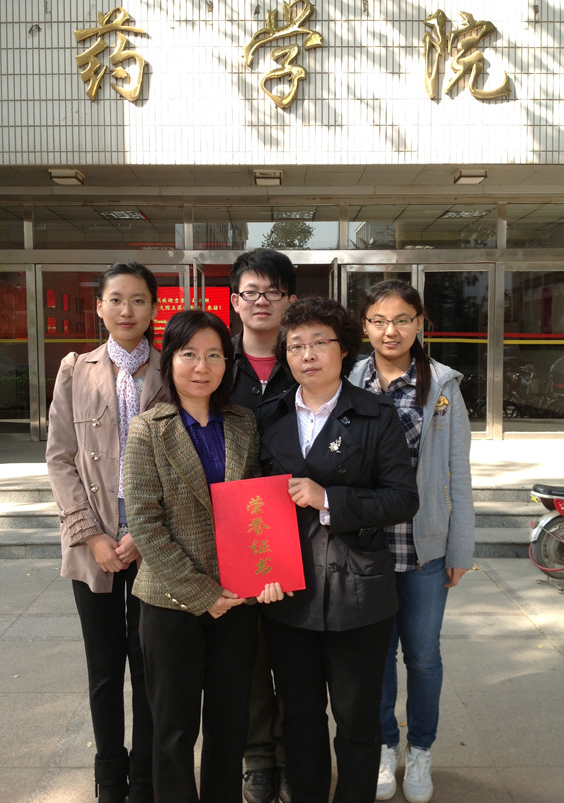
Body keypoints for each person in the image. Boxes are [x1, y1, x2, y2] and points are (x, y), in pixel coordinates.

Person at [256, 296, 420, 803]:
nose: (307, 355)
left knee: (357, 720)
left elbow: (403, 499)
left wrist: (328, 498)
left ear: (344, 349)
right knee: (300, 715)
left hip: (358, 590)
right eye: (295, 345)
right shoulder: (268, 417)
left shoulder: (376, 415)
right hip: (289, 591)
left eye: (319, 342)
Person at [122, 309, 263, 803]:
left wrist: (256, 575)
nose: (202, 367)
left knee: (229, 725)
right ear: (170, 362)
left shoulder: (243, 423)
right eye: (189, 354)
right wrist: (203, 593)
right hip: (170, 603)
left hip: (238, 601)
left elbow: (255, 508)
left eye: (214, 355)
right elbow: (145, 522)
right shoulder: (147, 428)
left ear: (228, 363)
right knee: (173, 729)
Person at [349, 279, 475, 803]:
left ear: (420, 323)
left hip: (425, 548)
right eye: (379, 321)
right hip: (368, 547)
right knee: (377, 657)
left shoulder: (442, 385)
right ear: (365, 327)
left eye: (402, 320)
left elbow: (458, 472)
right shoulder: (349, 379)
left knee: (422, 656)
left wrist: (461, 548)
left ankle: (420, 749)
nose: (391, 331)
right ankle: (385, 745)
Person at [46, 261, 161, 803]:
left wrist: (145, 530)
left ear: (153, 308)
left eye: (138, 300)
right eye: (116, 299)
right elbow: (60, 457)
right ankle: (110, 778)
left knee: (151, 668)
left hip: (154, 543)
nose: (126, 310)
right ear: (99, 307)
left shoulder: (173, 368)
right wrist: (91, 535)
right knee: (104, 668)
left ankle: (147, 779)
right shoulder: (76, 369)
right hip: (94, 544)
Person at [230, 248, 297, 803]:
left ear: (289, 300)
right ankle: (257, 756)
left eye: (272, 292)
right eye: (251, 292)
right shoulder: (216, 362)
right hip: (236, 527)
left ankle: (295, 750)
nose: (261, 301)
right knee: (248, 653)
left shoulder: (307, 358)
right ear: (234, 300)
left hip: (303, 525)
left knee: (297, 649)